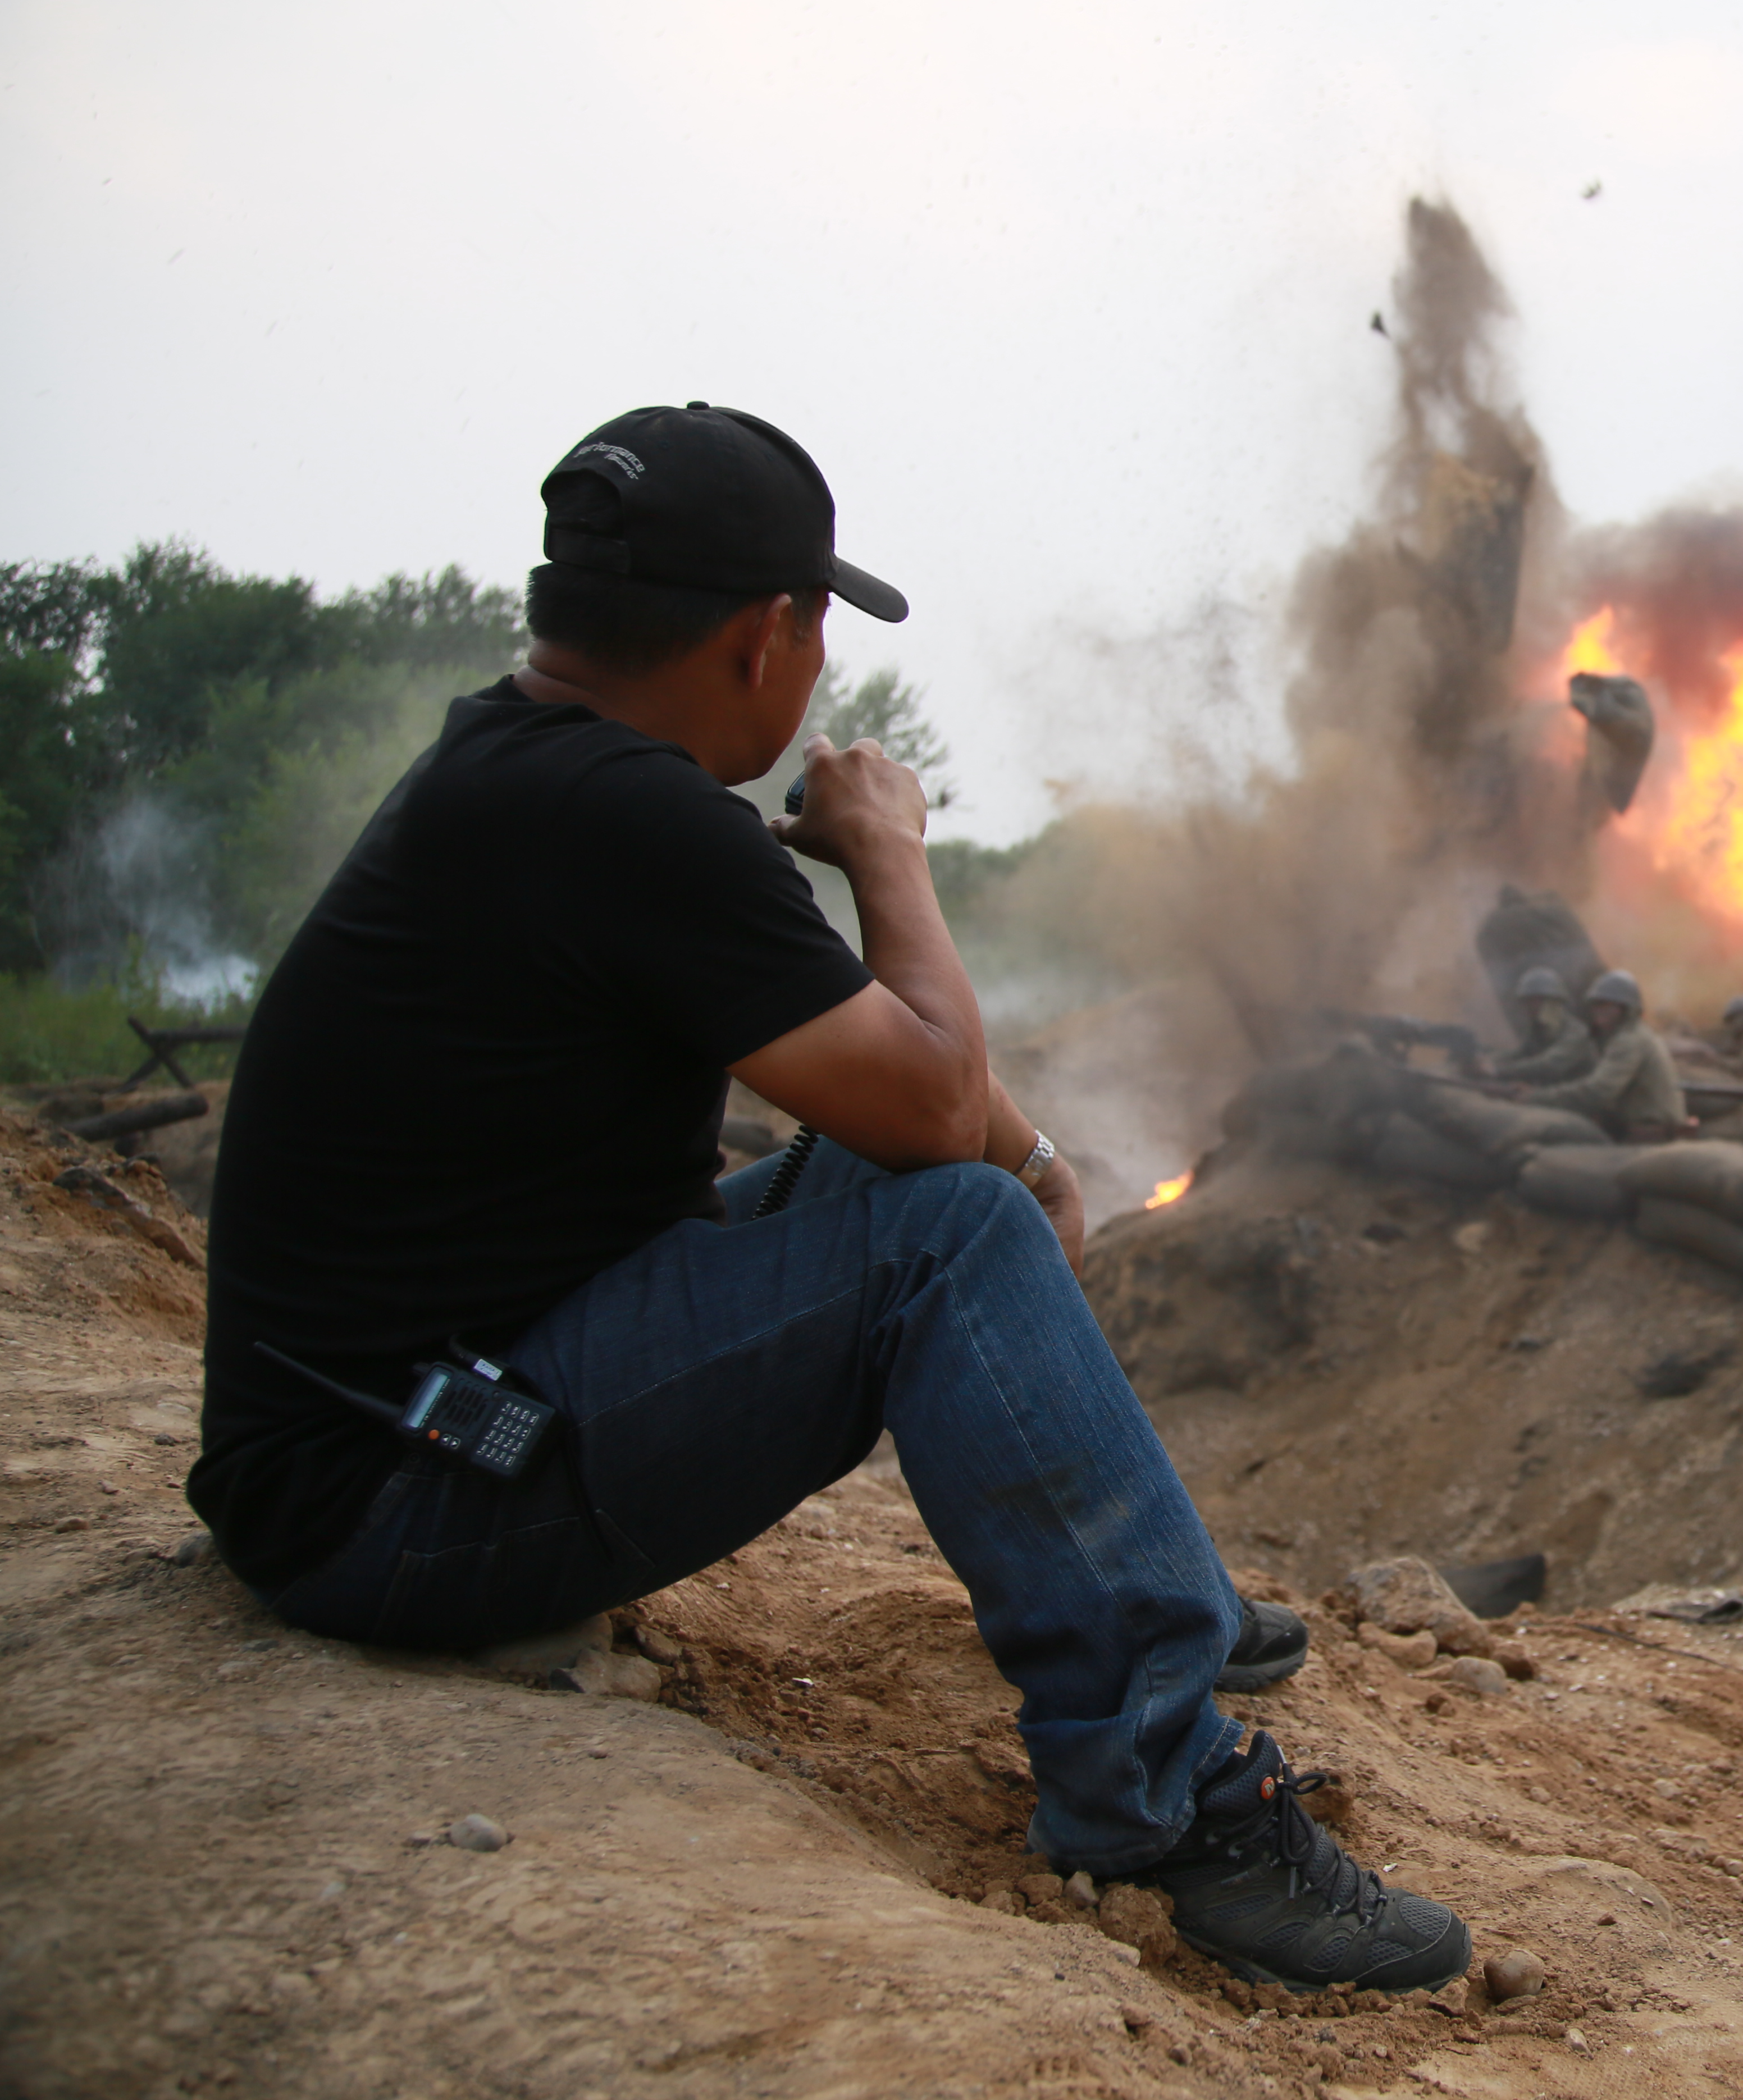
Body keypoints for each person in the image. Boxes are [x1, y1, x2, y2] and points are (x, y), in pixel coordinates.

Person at [189, 404, 1467, 1995]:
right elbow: (934, 1099)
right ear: (764, 637)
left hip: (416, 1421)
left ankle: (1165, 1604)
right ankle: (1161, 1805)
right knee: (950, 1236)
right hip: (398, 1498)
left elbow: (907, 1102)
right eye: (818, 632)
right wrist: (889, 858)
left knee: (948, 1193)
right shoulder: (629, 819)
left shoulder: (548, 777)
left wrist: (1043, 1160)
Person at [1521, 969, 1686, 1142]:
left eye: (1605, 1004)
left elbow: (1597, 1091)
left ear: (1625, 1008)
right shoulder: (1626, 1036)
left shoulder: (1630, 1041)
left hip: (1649, 1134)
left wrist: (1535, 1097)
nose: (1598, 1010)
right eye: (1596, 1004)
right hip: (1639, 1128)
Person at [1491, 966, 1595, 1084]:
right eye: (1528, 1001)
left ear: (1553, 1002)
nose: (1530, 1007)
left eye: (1536, 1001)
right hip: (1553, 1094)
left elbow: (1549, 1065)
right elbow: (1522, 1054)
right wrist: (1491, 1060)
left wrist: (1498, 1070)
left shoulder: (1577, 1033)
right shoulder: (1541, 1029)